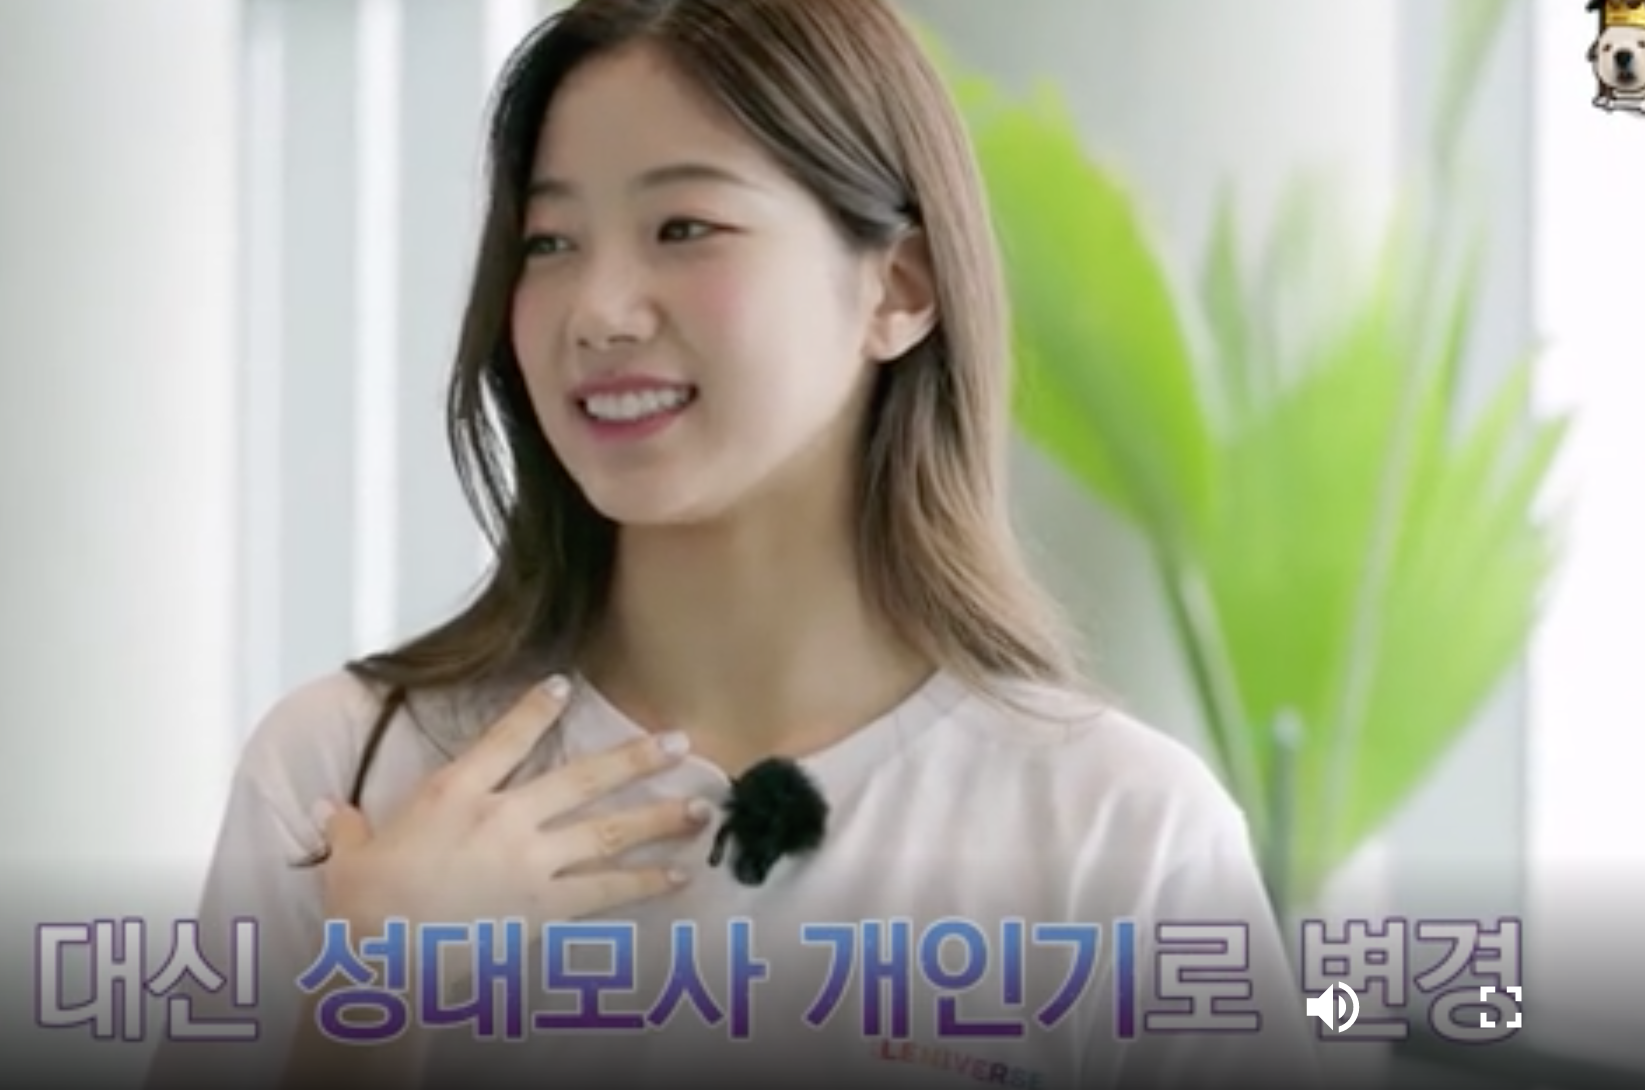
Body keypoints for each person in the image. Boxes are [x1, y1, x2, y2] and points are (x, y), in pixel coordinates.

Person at [145, 1, 1322, 1088]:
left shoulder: (1121, 833)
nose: (597, 309)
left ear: (898, 287)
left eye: (683, 227)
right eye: (549, 242)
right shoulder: (348, 772)